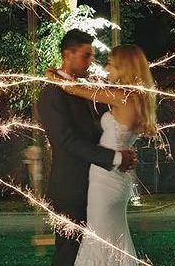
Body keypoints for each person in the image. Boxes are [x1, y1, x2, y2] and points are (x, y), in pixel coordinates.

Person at [46, 43, 157, 266]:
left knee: (100, 242)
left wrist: (56, 78)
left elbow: (74, 90)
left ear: (125, 67)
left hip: (106, 180)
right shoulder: (138, 97)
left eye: (112, 65)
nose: (107, 70)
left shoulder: (122, 96)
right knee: (111, 239)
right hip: (116, 178)